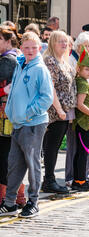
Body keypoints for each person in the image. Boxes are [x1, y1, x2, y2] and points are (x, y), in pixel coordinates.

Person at [0, 31, 53, 218]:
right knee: (14, 165)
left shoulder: (40, 69)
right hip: (18, 123)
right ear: (21, 47)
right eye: (26, 47)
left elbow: (47, 98)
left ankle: (33, 202)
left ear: (39, 48)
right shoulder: (21, 64)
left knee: (33, 164)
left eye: (34, 47)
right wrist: (11, 113)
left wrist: (27, 113)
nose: (30, 50)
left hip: (33, 124)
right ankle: (10, 203)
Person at [41, 30, 77, 194]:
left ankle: (49, 179)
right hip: (55, 112)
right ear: (52, 43)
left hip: (65, 110)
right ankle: (49, 180)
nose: (64, 44)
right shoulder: (50, 61)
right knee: (51, 147)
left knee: (53, 146)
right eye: (60, 41)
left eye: (66, 41)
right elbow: (51, 88)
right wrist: (60, 109)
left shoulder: (65, 60)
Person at [68, 31, 89, 185]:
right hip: (84, 122)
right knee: (83, 152)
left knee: (83, 151)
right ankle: (80, 180)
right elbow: (80, 104)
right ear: (79, 69)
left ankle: (79, 179)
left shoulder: (85, 81)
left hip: (87, 122)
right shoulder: (82, 82)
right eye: (86, 69)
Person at [0, 26, 26, 210]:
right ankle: (17, 197)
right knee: (11, 156)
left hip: (4, 116)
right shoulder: (18, 56)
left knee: (4, 156)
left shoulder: (7, 60)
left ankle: (8, 198)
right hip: (12, 115)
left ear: (8, 40)